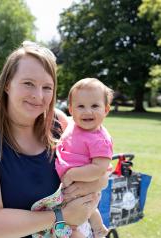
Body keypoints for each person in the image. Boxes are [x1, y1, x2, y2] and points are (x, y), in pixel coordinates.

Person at [0, 40, 108, 238]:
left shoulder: (59, 123)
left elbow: (101, 175)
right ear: (7, 84)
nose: (38, 96)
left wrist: (95, 182)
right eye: (28, 84)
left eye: (47, 87)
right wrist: (62, 216)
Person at [55, 78, 113, 238]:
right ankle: (99, 227)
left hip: (81, 188)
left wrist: (72, 175)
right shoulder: (73, 125)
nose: (87, 111)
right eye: (81, 106)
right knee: (81, 215)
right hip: (75, 190)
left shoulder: (99, 139)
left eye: (95, 106)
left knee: (68, 227)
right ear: (71, 110)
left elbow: (99, 169)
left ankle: (97, 228)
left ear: (106, 110)